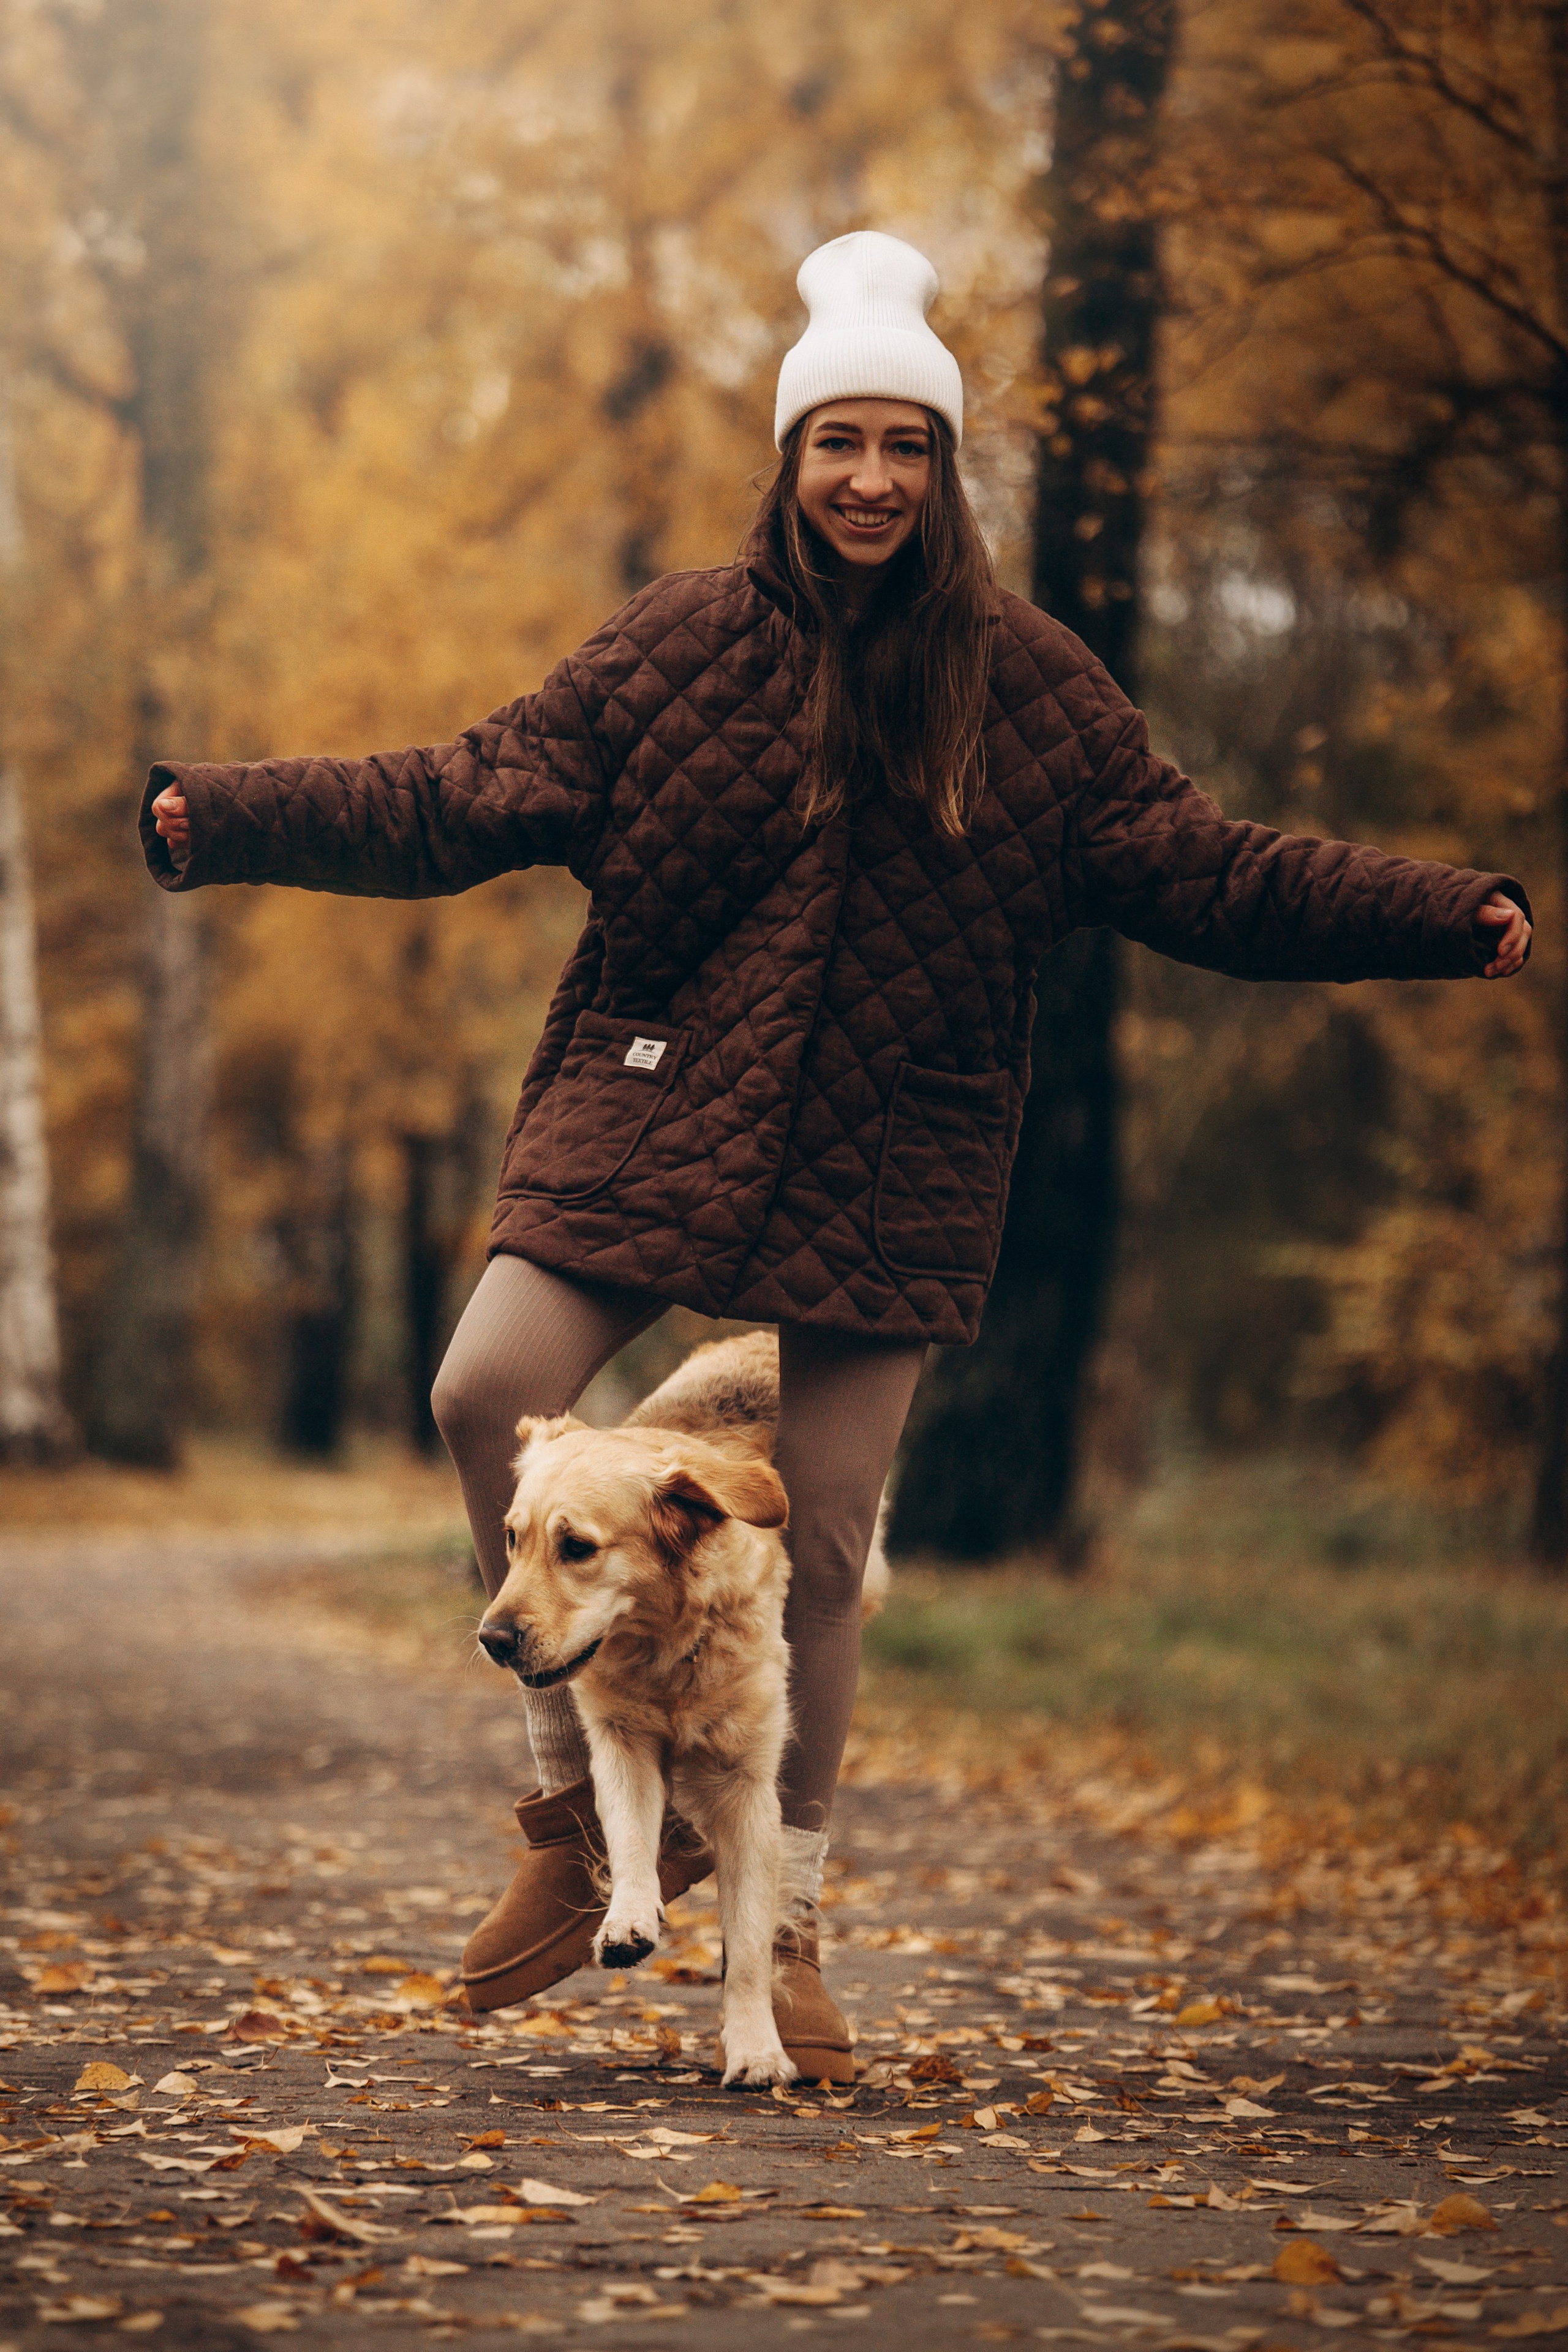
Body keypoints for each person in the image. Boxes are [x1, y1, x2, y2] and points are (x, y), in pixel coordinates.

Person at [145, 229, 1531, 2081]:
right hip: (651, 1104)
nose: (871, 478)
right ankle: (571, 1826)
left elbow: (1217, 872)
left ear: (946, 472)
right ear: (788, 460)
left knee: (822, 1555)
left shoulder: (1032, 690)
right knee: (488, 1386)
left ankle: (779, 1926)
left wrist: (1452, 913)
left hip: (896, 1154)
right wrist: (213, 813)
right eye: (838, 443)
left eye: (908, 447)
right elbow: (451, 793)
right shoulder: (673, 648)